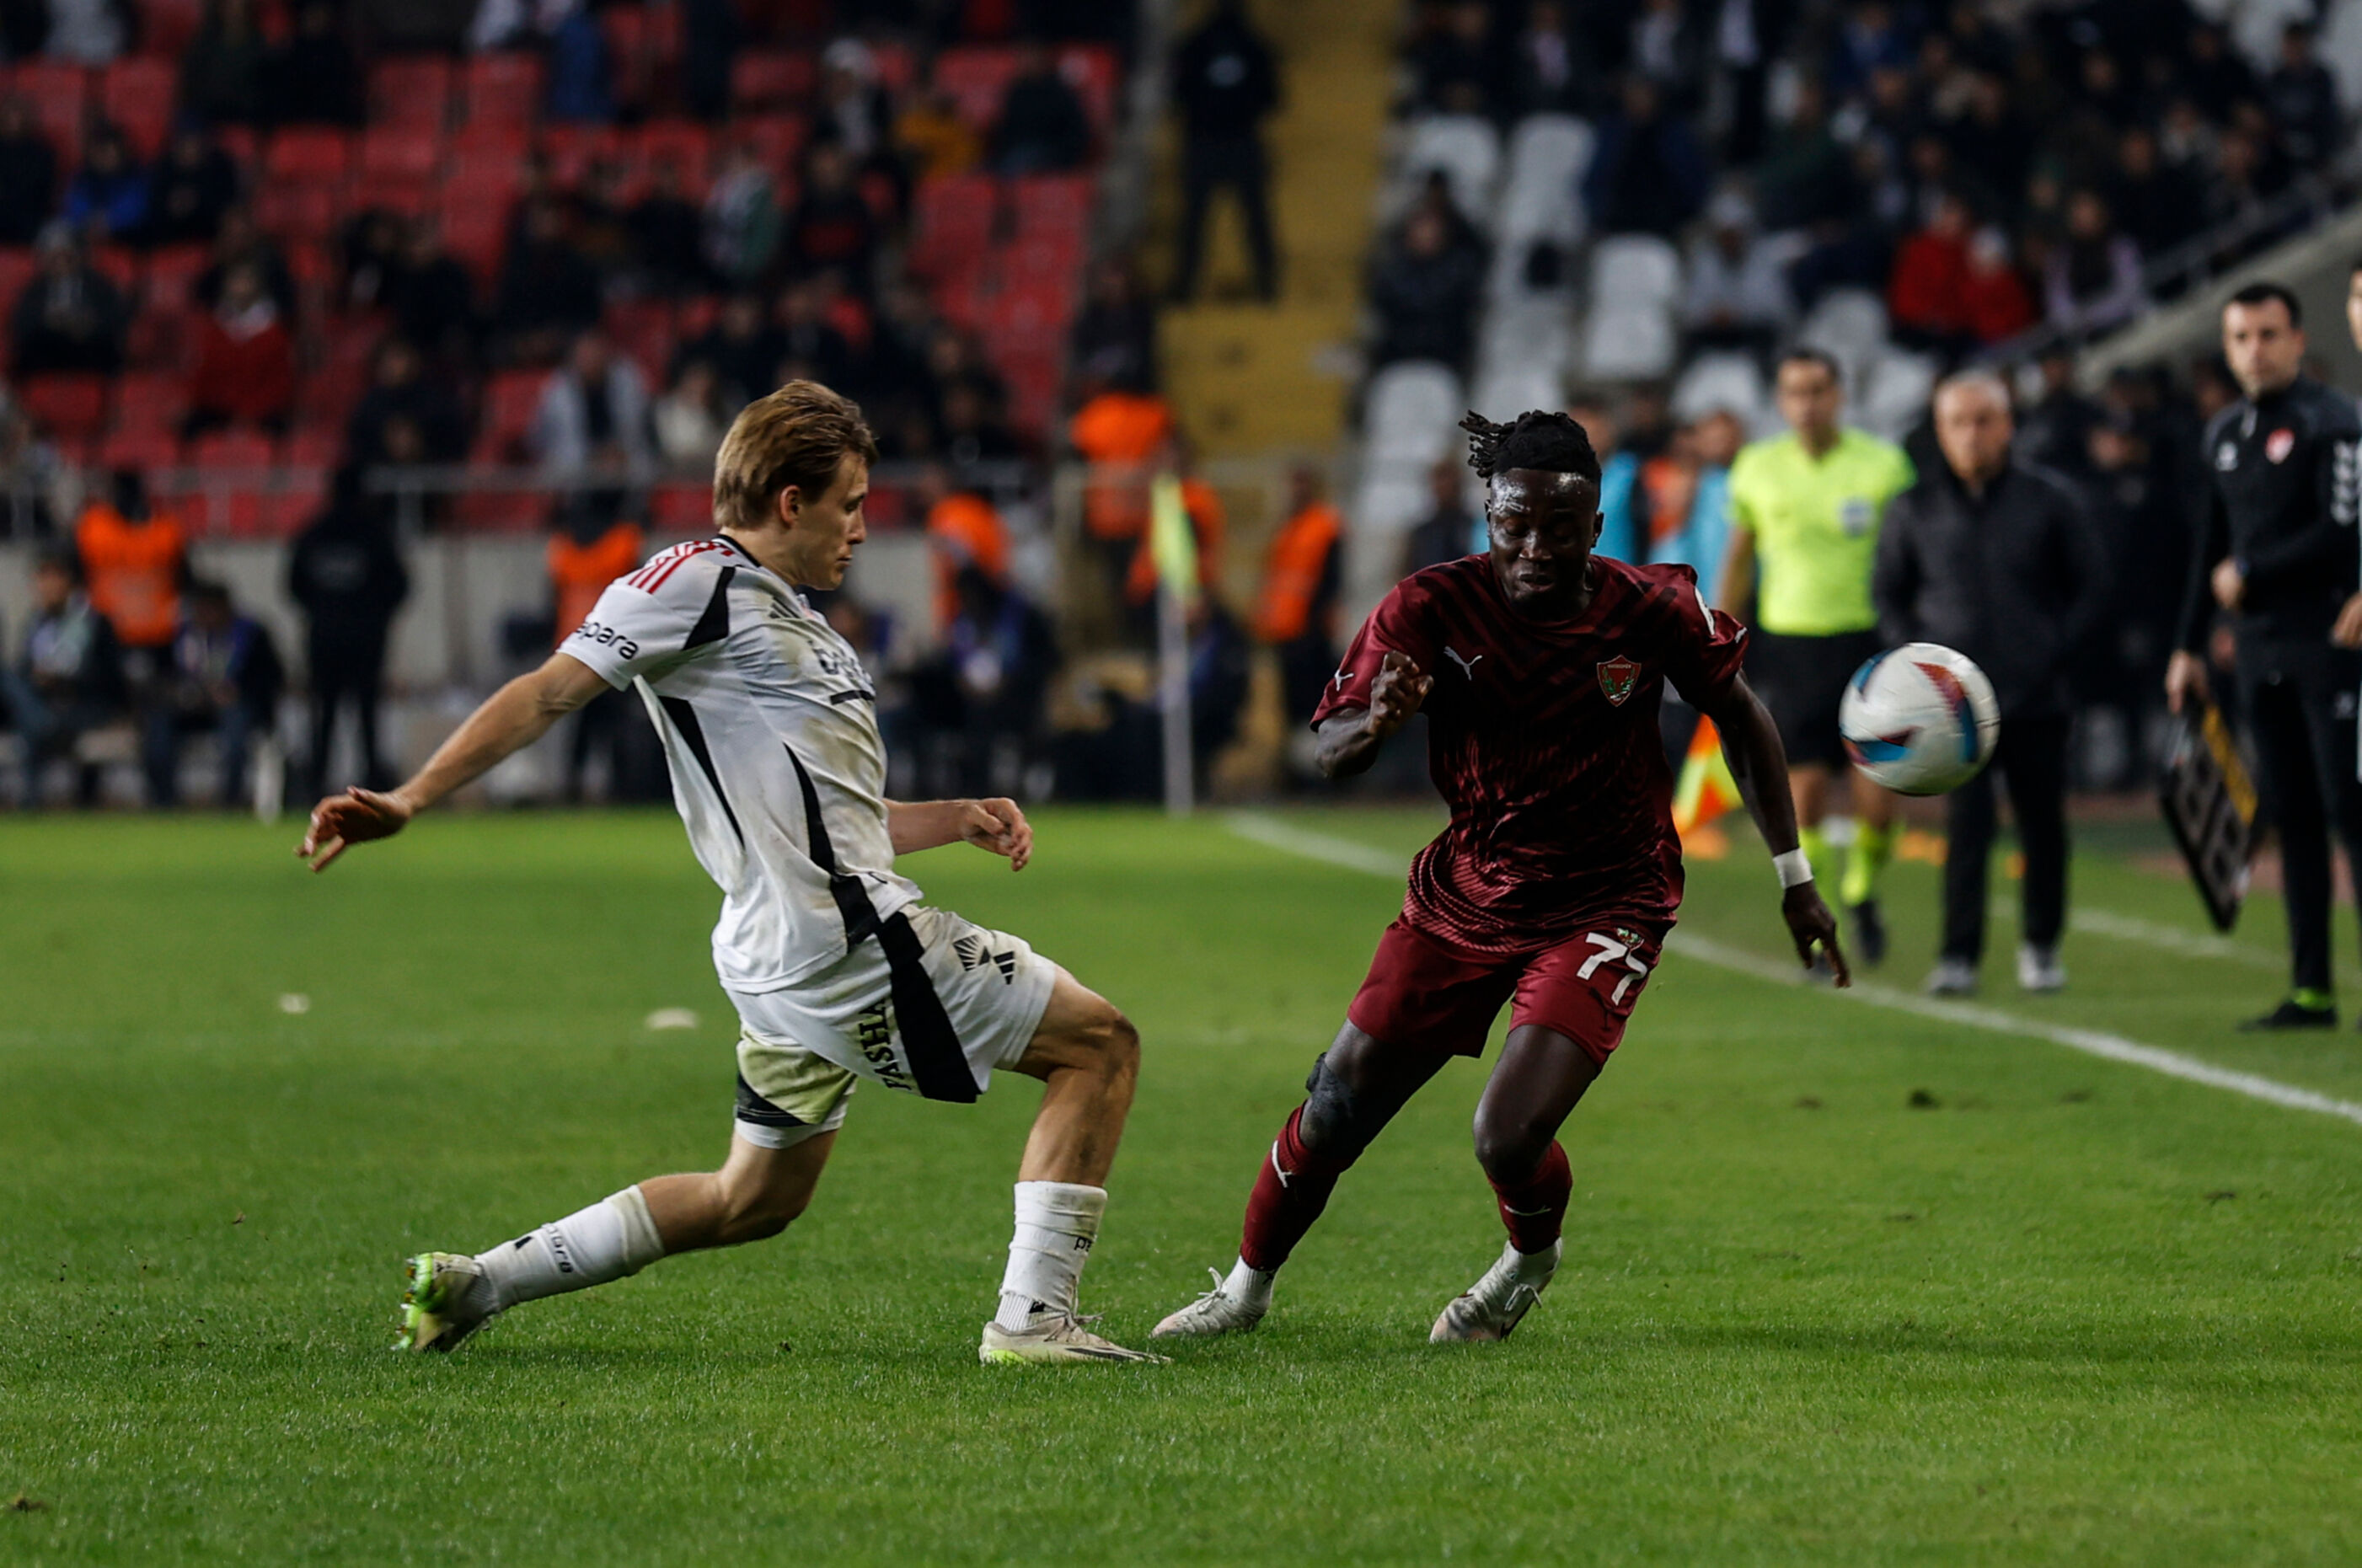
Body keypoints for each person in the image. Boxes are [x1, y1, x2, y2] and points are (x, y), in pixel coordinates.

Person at [298, 381, 1163, 1366]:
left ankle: (480, 1280)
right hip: (846, 943)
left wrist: (952, 817)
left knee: (751, 1199)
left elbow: (819, 820)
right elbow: (547, 693)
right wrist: (412, 796)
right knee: (1100, 1045)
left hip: (786, 947)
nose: (864, 530)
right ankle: (1034, 1322)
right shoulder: (692, 581)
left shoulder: (785, 618)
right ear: (788, 503)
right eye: (850, 503)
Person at [1149, 409, 1846, 1345]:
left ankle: (1526, 1262)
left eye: (1558, 528)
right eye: (1513, 525)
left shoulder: (1649, 609)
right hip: (1466, 890)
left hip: (1611, 896)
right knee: (1337, 1101)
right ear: (1488, 514)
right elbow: (1328, 749)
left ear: (1595, 527)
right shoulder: (1428, 606)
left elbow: (1742, 716)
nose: (1532, 548)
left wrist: (1793, 875)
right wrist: (1376, 724)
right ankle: (1243, 1292)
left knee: (1504, 1133)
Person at [2167, 283, 2362, 1031]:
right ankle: (2310, 989)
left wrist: (2253, 574)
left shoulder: (2333, 423)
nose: (2255, 349)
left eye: (2268, 334)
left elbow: (2340, 532)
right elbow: (2207, 547)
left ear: (2296, 338)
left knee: (2351, 810)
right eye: (2241, 336)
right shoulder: (2221, 433)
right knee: (2293, 815)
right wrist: (2187, 643)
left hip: (2333, 642)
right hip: (2256, 650)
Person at [1875, 372, 2107, 997]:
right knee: (1966, 830)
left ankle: (2040, 946)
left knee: (2041, 825)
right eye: (1957, 422)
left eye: (1983, 420)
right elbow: (1888, 595)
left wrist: (2055, 649)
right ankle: (1957, 956)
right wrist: (1916, 668)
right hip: (1952, 710)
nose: (1971, 434)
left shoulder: (2048, 498)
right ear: (1939, 429)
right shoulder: (1913, 506)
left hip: (2036, 696)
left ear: (2007, 425)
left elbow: (2091, 585)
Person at [1718, 350, 1915, 966]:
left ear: (1840, 394)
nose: (1807, 404)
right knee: (1801, 798)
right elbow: (1740, 556)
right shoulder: (1755, 468)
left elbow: (1911, 553)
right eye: (1794, 392)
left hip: (1869, 642)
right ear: (1779, 401)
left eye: (1818, 390)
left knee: (1877, 799)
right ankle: (1828, 905)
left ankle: (1862, 886)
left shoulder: (1882, 465)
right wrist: (1716, 637)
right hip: (1792, 644)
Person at [287, 466, 410, 798]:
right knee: (367, 715)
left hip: (324, 638)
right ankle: (373, 785)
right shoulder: (376, 533)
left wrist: (323, 612)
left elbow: (294, 586)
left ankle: (316, 783)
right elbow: (399, 586)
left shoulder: (314, 533)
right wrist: (373, 617)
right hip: (366, 641)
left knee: (323, 715)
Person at [1169, 0, 1280, 303]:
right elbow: (1272, 98)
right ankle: (1266, 287)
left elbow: (1178, 96)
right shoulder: (1254, 45)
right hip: (1229, 141)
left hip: (1216, 142)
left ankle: (1187, 288)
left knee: (1228, 219)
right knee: (1206, 220)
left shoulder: (1196, 44)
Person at [144, 579, 283, 808]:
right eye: (202, 608)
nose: (207, 614)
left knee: (236, 732)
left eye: (212, 608)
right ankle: (164, 800)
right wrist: (181, 693)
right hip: (188, 708)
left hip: (234, 706)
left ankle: (230, 800)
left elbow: (271, 677)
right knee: (158, 726)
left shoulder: (250, 635)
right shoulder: (178, 636)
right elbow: (160, 677)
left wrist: (237, 691)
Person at [3, 549, 123, 808]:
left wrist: (63, 680)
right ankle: (41, 724)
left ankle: (30, 802)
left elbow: (111, 677)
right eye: (42, 577)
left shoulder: (94, 621)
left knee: (28, 720)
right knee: (9, 682)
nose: (47, 585)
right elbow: (23, 670)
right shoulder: (36, 622)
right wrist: (38, 678)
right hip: (43, 703)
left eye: (54, 576)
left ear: (70, 580)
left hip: (83, 704)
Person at [1254, 466, 1345, 730]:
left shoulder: (1325, 526)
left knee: (1314, 700)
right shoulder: (1288, 527)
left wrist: (1318, 621)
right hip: (1286, 628)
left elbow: (1331, 580)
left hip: (1311, 630)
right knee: (1291, 706)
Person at [76, 468, 188, 679]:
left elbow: (184, 577)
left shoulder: (166, 529)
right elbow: (77, 574)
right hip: (109, 633)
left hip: (160, 633)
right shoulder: (93, 526)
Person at [184, 260, 297, 436]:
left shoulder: (274, 332)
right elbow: (204, 377)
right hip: (219, 409)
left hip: (264, 412)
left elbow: (280, 382)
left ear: (258, 285)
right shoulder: (214, 328)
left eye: (246, 281)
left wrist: (249, 414)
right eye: (236, 281)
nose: (241, 287)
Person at [10, 226, 129, 376]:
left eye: (66, 256)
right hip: (49, 347)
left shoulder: (98, 285)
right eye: (54, 258)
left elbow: (116, 319)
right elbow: (22, 324)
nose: (61, 263)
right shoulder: (35, 290)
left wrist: (87, 324)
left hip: (88, 347)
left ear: (77, 256)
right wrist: (48, 321)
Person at [988, 42, 1091, 176]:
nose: (1026, 62)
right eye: (1023, 57)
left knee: (1016, 164)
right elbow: (1007, 129)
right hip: (1016, 151)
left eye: (1030, 57)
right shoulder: (1016, 91)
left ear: (1042, 60)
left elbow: (1075, 132)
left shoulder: (1060, 92)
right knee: (982, 172)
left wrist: (1059, 153)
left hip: (1051, 153)